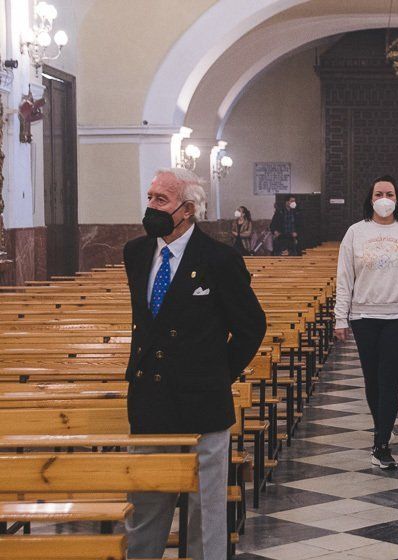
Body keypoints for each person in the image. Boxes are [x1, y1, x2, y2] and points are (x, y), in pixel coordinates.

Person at [122, 168, 266, 560]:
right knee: (146, 508)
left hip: (202, 404)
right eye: (150, 197)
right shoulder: (135, 253)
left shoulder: (219, 259)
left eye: (160, 200)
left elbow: (252, 327)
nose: (151, 206)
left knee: (206, 514)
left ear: (187, 210)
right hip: (150, 401)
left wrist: (217, 375)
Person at [334, 175, 398, 469]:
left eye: (389, 193)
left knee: (389, 377)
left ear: (397, 198)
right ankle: (382, 424)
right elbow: (344, 278)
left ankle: (381, 445)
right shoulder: (355, 232)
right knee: (371, 378)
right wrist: (340, 317)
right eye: (378, 193)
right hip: (363, 314)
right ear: (370, 198)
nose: (384, 198)